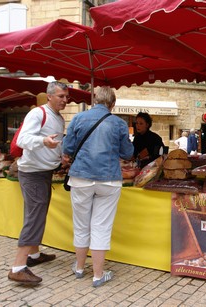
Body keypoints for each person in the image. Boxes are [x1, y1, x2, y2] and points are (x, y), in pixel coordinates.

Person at [62, 86, 134, 288]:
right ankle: (98, 275)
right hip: (108, 178)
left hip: (81, 177)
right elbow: (127, 153)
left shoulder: (78, 118)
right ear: (113, 104)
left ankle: (78, 267)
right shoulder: (119, 123)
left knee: (81, 224)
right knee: (101, 226)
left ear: (94, 100)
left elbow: (67, 148)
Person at [7, 81, 68, 286]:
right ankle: (17, 267)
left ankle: (33, 256)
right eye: (61, 96)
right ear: (49, 96)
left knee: (35, 214)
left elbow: (53, 144)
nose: (65, 100)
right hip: (32, 173)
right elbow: (23, 140)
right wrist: (43, 142)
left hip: (44, 173)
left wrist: (60, 157)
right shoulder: (37, 113)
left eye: (66, 97)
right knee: (34, 217)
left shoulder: (58, 118)